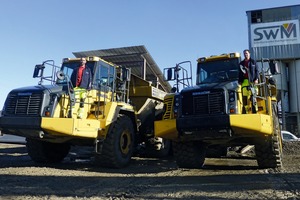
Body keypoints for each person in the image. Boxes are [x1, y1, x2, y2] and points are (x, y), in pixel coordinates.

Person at [238, 49, 259, 114]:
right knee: (244, 98)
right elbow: (239, 73)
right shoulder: (241, 63)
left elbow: (257, 71)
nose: (245, 54)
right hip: (244, 81)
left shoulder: (253, 62)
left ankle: (255, 111)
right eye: (244, 53)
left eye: (246, 53)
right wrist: (240, 81)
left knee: (253, 96)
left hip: (252, 81)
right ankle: (245, 111)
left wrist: (256, 79)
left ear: (249, 54)